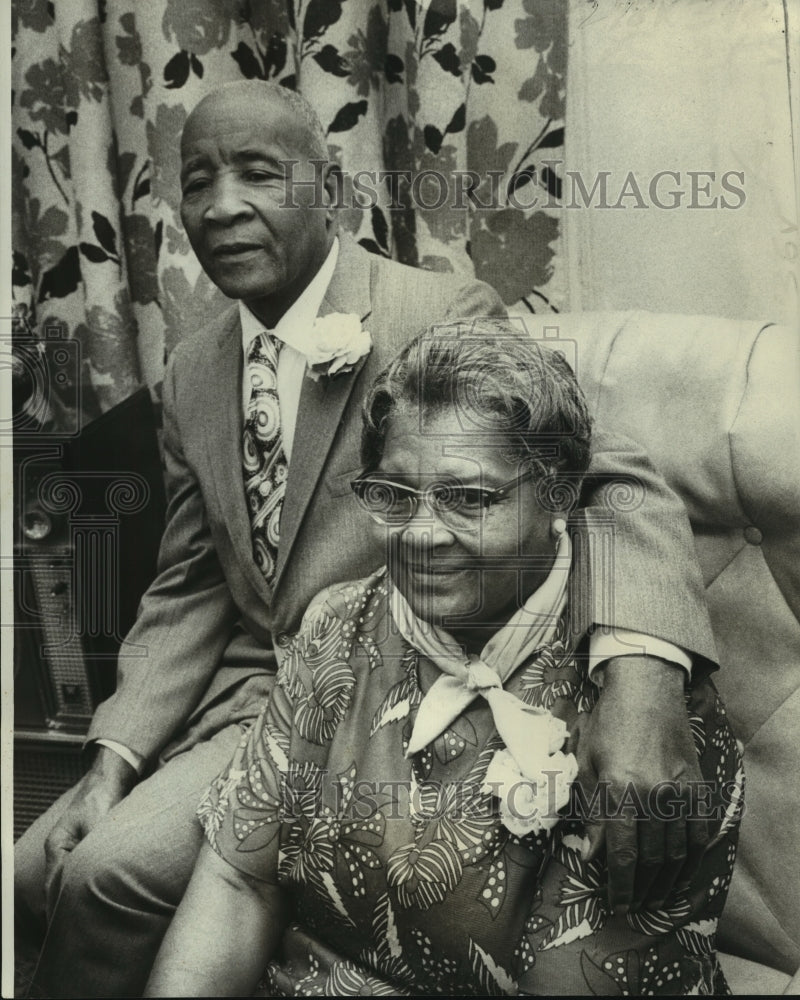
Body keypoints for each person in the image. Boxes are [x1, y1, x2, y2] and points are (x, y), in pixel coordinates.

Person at [16, 81, 718, 998]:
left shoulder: (439, 312)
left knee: (106, 872)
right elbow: (188, 585)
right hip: (245, 693)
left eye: (259, 173)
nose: (223, 204)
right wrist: (113, 760)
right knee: (29, 866)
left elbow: (611, 477)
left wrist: (640, 680)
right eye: (198, 182)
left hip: (368, 689)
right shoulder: (192, 370)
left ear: (331, 189)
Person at [146, 324, 742, 997]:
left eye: (471, 499)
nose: (422, 535)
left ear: (559, 495)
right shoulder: (336, 627)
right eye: (395, 497)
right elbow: (238, 882)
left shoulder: (648, 714)